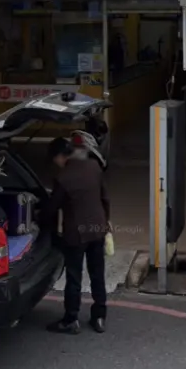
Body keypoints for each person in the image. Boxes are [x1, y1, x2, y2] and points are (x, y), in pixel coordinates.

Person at [44, 136, 110, 335]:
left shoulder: (63, 178)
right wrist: (105, 222)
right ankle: (99, 317)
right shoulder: (94, 167)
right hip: (97, 229)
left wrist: (40, 219)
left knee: (74, 277)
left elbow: (52, 209)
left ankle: (71, 319)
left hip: (76, 234)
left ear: (59, 157)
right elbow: (105, 199)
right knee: (97, 274)